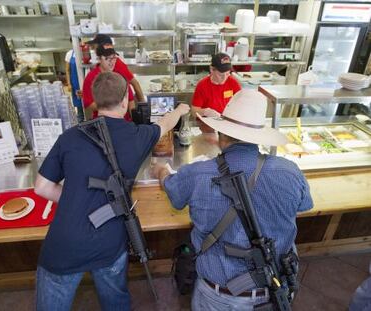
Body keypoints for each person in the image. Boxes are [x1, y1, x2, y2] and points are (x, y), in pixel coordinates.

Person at [34, 71, 190, 311]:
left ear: (95, 102)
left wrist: (78, 199)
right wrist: (180, 110)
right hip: (110, 240)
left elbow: (42, 187)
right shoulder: (139, 135)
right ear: (126, 100)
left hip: (64, 244)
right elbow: (165, 123)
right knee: (115, 301)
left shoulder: (70, 136)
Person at [153, 89, 313, 311]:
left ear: (222, 135)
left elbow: (174, 193)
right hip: (275, 288)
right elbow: (304, 206)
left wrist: (162, 172)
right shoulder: (290, 171)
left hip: (218, 295)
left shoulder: (198, 173)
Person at [86, 34, 145, 102]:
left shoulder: (117, 64)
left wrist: (143, 104)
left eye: (96, 48)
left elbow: (135, 83)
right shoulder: (99, 64)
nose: (94, 51)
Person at [82, 46, 135, 121]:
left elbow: (130, 100)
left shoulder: (120, 74)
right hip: (103, 122)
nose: (112, 62)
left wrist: (134, 119)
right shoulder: (91, 78)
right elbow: (89, 105)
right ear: (99, 59)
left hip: (123, 121)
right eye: (107, 58)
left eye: (114, 58)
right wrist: (113, 104)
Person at [191, 53, 241, 118]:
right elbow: (194, 111)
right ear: (211, 69)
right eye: (220, 75)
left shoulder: (233, 83)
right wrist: (205, 112)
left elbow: (240, 103)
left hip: (226, 120)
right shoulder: (202, 85)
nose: (224, 78)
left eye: (227, 73)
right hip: (208, 121)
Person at [65, 48, 84, 122]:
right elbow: (67, 70)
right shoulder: (70, 54)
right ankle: (80, 120)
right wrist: (69, 83)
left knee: (88, 102)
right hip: (75, 82)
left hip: (85, 81)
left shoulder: (85, 52)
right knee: (79, 104)